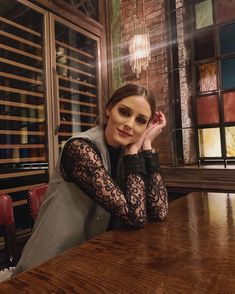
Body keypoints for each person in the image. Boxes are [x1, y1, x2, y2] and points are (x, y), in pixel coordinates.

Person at [12, 83, 168, 276]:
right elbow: (135, 217)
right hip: (48, 267)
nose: (130, 124)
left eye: (140, 120)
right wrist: (133, 150)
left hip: (91, 263)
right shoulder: (80, 148)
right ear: (109, 109)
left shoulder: (125, 152)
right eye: (125, 112)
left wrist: (146, 145)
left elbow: (159, 211)